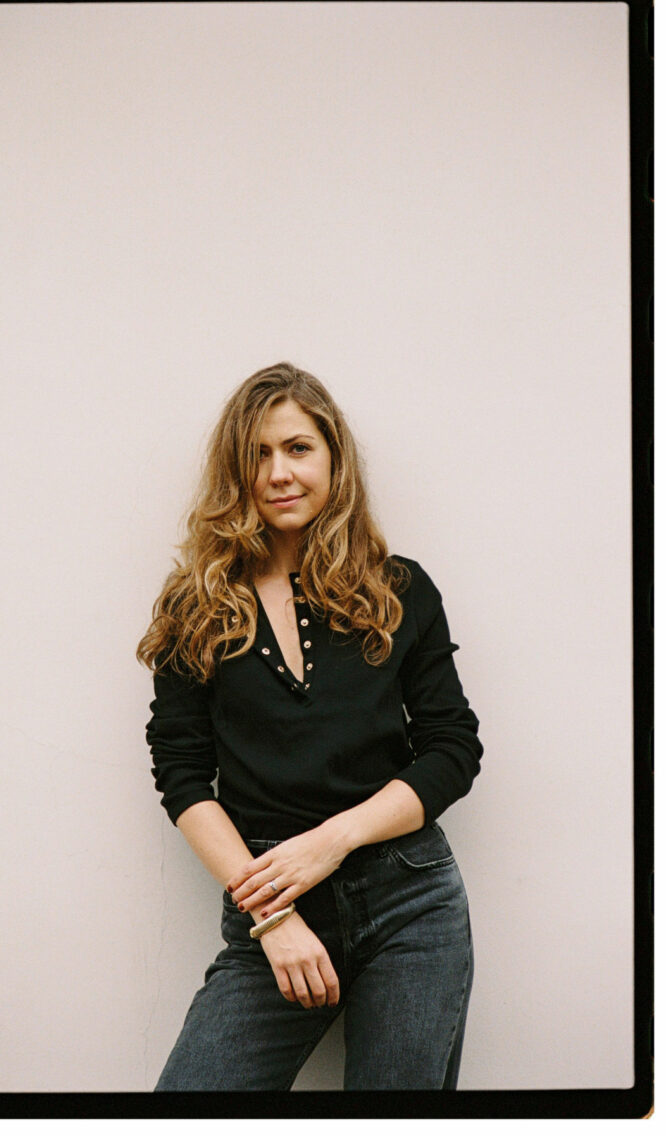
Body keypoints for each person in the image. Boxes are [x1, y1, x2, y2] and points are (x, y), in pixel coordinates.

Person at [137, 362, 482, 1091]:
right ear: (236, 473)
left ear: (334, 458)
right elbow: (182, 773)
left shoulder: (401, 590)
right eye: (257, 455)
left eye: (297, 448)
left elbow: (452, 749)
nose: (278, 473)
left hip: (409, 903)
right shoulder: (194, 605)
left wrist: (331, 842)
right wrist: (269, 917)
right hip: (270, 904)